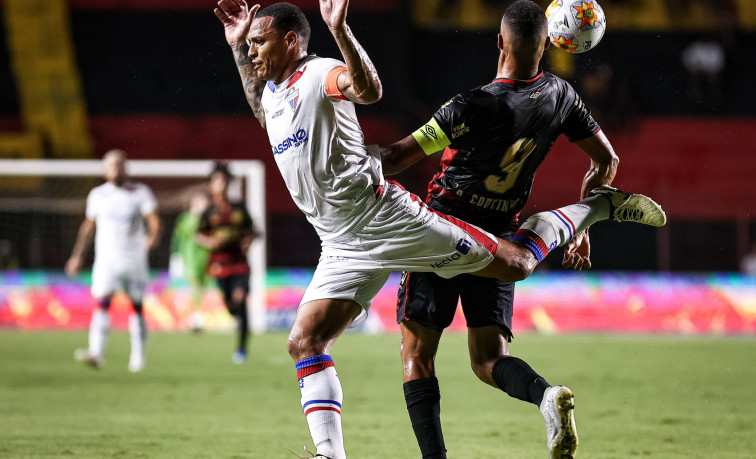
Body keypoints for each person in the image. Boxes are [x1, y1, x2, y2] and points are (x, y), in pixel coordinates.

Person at [214, 1, 665, 457]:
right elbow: (264, 107)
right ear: (546, 43)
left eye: (258, 42)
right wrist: (236, 46)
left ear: (291, 41)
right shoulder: (561, 96)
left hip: (385, 219)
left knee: (514, 268)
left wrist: (341, 31)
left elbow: (368, 92)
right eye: (248, 45)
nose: (252, 51)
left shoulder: (330, 74)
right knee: (305, 341)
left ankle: (595, 210)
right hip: (340, 240)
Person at [378, 2, 626, 457]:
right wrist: (584, 225)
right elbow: (607, 160)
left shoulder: (468, 106)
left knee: (417, 355)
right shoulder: (562, 97)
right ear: (548, 43)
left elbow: (395, 159)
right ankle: (546, 396)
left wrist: (337, 156)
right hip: (500, 241)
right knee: (489, 360)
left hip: (441, 232)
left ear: (499, 41)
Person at [66, 149, 161, 373]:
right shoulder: (97, 195)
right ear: (104, 169)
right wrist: (77, 255)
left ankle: (138, 358)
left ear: (126, 168)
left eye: (119, 164)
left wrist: (152, 238)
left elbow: (154, 221)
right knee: (101, 304)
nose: (116, 168)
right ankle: (96, 353)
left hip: (133, 259)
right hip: (106, 260)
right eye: (111, 164)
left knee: (136, 307)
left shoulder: (140, 192)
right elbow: (88, 227)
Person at [195, 162, 260, 363]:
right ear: (211, 185)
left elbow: (254, 230)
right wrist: (209, 241)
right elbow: (198, 234)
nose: (220, 185)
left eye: (223, 180)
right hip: (219, 266)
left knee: (240, 300)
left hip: (240, 264)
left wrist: (247, 242)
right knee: (232, 308)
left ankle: (241, 349)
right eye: (217, 181)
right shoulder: (208, 212)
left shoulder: (239, 208)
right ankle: (238, 317)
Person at [170, 190, 212, 332]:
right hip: (190, 259)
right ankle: (194, 317)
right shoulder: (186, 219)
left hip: (205, 258)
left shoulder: (207, 220)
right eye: (202, 203)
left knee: (202, 288)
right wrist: (175, 255)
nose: (205, 206)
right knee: (193, 287)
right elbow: (183, 237)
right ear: (194, 204)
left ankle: (200, 316)